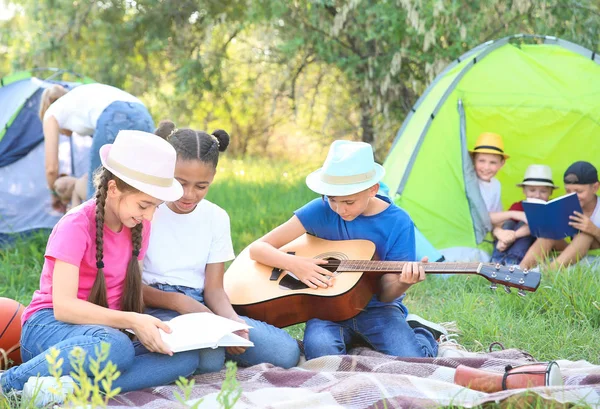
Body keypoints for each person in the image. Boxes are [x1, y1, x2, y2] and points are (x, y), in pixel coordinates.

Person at [0, 130, 199, 406]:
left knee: (183, 357)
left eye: (155, 206)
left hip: (105, 331)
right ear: (114, 188)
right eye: (145, 205)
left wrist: (147, 324)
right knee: (116, 348)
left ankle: (66, 387)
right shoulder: (75, 226)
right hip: (51, 328)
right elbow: (64, 307)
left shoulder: (140, 225)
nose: (150, 215)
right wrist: (131, 321)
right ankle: (8, 383)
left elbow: (127, 293)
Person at [248, 140, 441, 360]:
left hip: (379, 310)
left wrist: (403, 282)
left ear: (373, 189)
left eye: (349, 202)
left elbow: (387, 294)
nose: (340, 209)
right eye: (333, 200)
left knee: (414, 360)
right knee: (321, 355)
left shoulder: (398, 222)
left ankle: (423, 332)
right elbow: (257, 248)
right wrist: (296, 265)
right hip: (326, 309)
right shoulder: (319, 210)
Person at [141, 121, 300, 373]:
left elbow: (214, 290)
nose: (189, 194)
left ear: (213, 178)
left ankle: (206, 348)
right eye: (180, 182)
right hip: (155, 304)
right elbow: (130, 285)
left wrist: (232, 321)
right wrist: (178, 303)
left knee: (286, 353)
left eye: (201, 186)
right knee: (210, 361)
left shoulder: (216, 217)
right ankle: (200, 353)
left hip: (200, 305)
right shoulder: (147, 209)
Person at [39, 83, 155, 206]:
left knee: (97, 194)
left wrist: (54, 194)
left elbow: (51, 169)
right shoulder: (78, 100)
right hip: (144, 116)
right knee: (134, 186)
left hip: (115, 117)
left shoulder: (51, 113)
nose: (63, 135)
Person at [520, 161, 600, 271]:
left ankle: (549, 272)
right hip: (573, 253)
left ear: (595, 187)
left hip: (595, 255)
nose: (573, 195)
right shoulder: (568, 204)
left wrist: (593, 230)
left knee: (585, 235)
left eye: (579, 191)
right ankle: (522, 268)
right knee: (549, 233)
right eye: (568, 191)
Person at [469, 132, 528, 247]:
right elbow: (477, 216)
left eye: (493, 162)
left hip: (488, 234)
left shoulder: (496, 185)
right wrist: (514, 214)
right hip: (472, 236)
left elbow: (496, 217)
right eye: (481, 161)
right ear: (473, 160)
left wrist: (501, 233)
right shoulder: (471, 183)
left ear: (502, 163)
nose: (486, 167)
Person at [491, 165, 558, 266]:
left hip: (530, 248)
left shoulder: (550, 207)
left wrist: (512, 236)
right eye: (532, 190)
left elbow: (534, 227)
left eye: (543, 191)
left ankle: (513, 261)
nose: (537, 195)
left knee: (526, 224)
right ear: (524, 190)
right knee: (508, 223)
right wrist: (502, 236)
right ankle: (497, 260)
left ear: (550, 192)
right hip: (505, 245)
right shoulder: (518, 206)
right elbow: (495, 221)